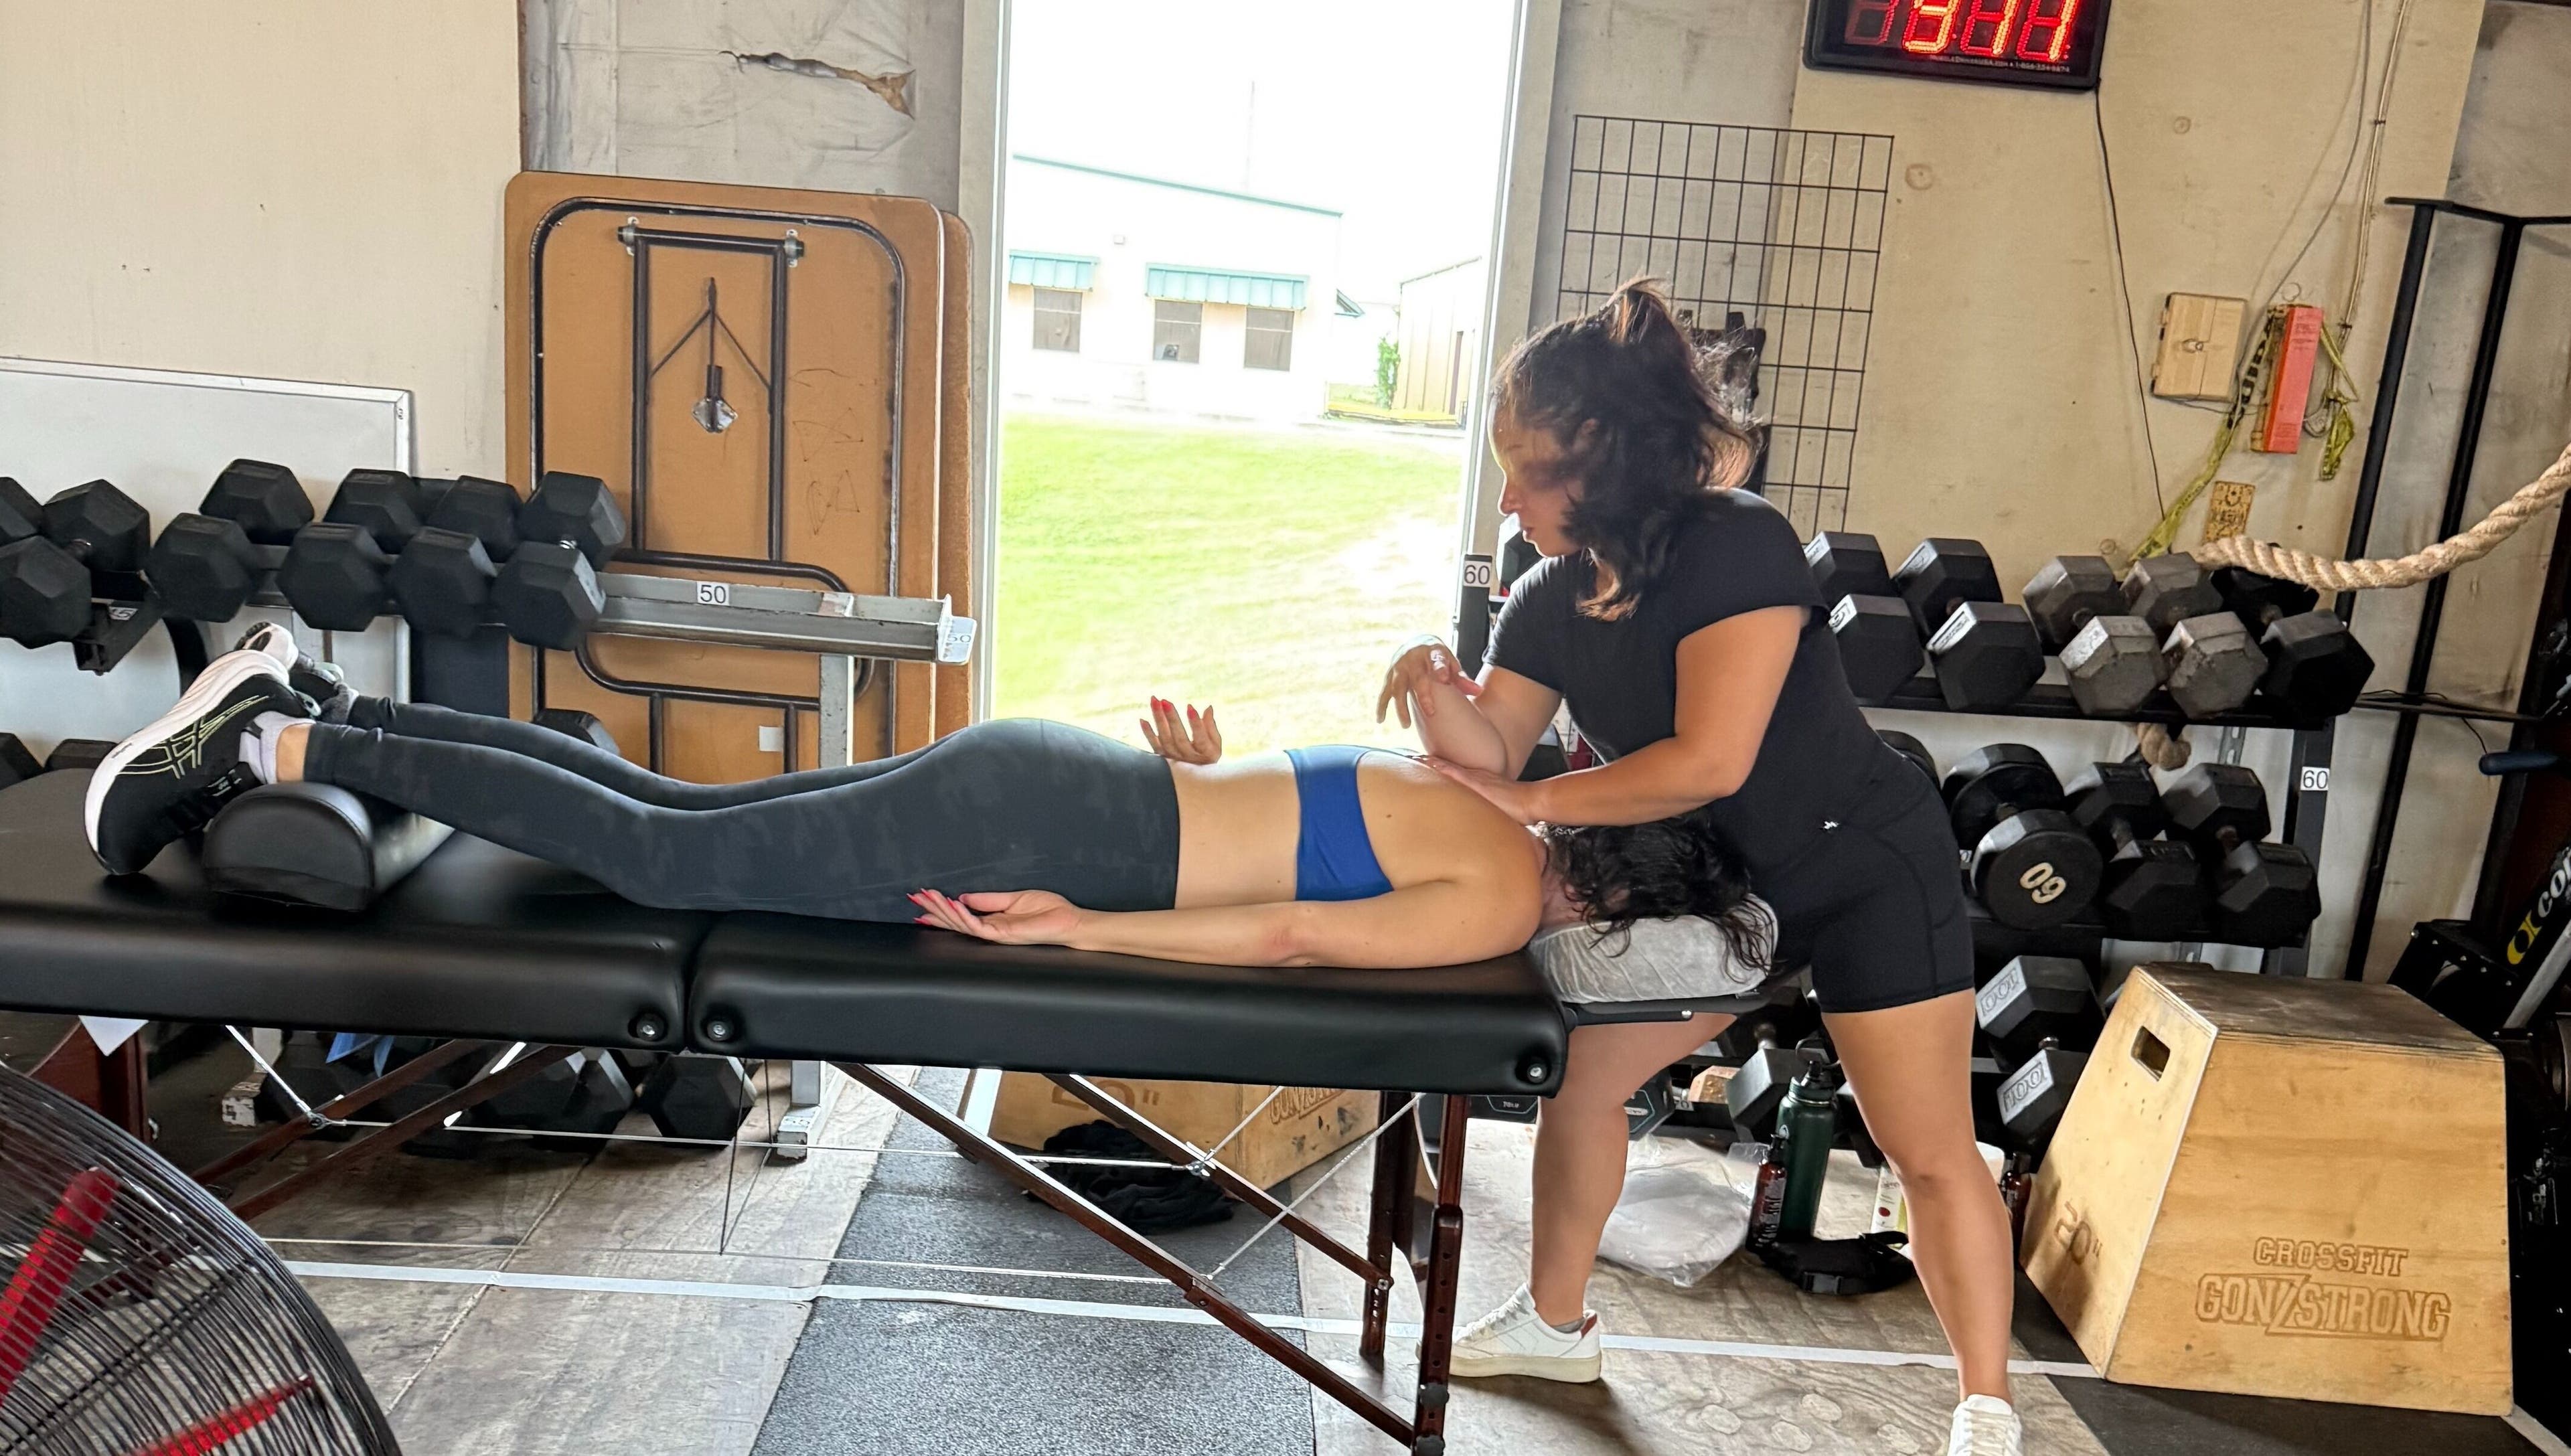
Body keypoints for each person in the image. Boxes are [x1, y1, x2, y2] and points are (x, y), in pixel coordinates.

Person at [1378, 280, 2017, 1455]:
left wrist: (1535, 800)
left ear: (1602, 455)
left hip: (1861, 866)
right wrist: (1432, 682)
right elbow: (1492, 754)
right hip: (1727, 892)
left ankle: (1987, 1412)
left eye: (1527, 471)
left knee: (1924, 1149)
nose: (1508, 500)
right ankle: (1556, 1326)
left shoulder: (1738, 545)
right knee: (1585, 1079)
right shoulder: (1547, 597)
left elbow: (1708, 760)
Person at [81, 626, 1770, 979]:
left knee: (664, 811)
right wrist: (1082, 930)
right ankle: (273, 748)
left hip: (1052, 769)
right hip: (1049, 834)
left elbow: (1284, 824)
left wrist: (1193, 777)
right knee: (660, 850)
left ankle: (340, 710)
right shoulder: (1503, 891)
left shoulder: (1482, 793)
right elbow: (1288, 936)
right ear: (1631, 897)